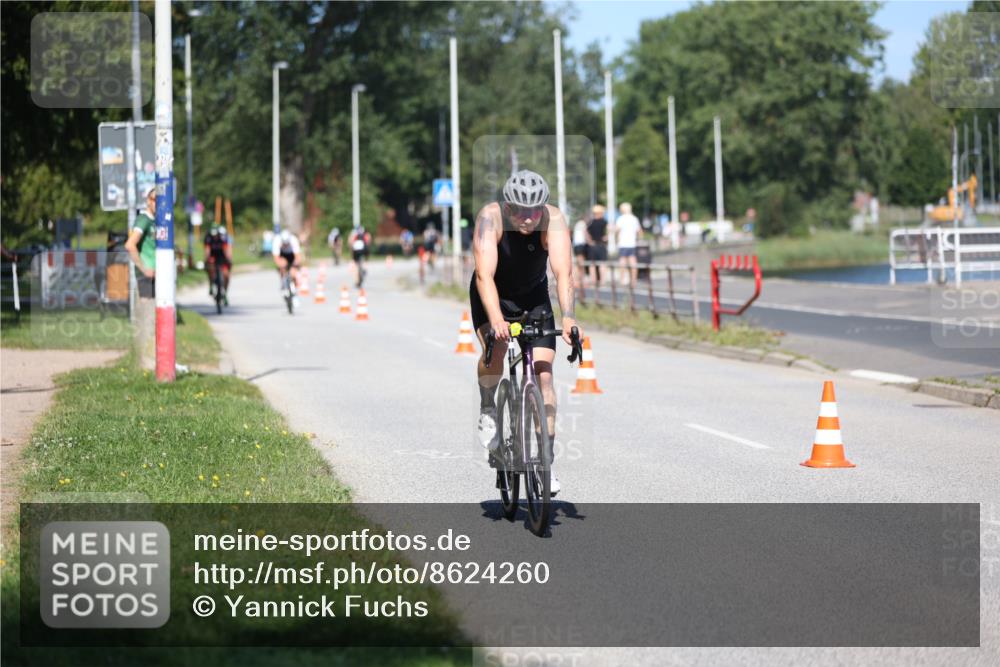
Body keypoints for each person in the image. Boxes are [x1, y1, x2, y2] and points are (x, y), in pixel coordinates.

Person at [470, 169, 582, 496]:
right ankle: (489, 406)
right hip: (493, 294)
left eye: (534, 212)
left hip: (534, 297)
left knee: (544, 375)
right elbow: (484, 277)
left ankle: (546, 462)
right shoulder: (490, 219)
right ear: (507, 206)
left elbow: (563, 274)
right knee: (497, 353)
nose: (528, 219)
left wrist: (570, 317)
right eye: (520, 211)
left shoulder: (554, 220)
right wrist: (496, 320)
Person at [124, 184, 158, 298]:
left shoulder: (155, 221)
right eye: (155, 200)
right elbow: (130, 245)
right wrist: (144, 269)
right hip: (147, 277)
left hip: (156, 274)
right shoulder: (144, 219)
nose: (158, 203)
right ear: (148, 201)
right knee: (147, 312)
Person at [614, 202, 643, 286]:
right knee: (633, 262)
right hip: (632, 243)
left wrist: (616, 237)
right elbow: (639, 231)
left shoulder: (621, 219)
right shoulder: (634, 218)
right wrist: (638, 239)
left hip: (623, 243)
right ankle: (633, 280)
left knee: (622, 262)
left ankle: (622, 279)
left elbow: (617, 230)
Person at [204, 224, 233, 303]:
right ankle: (211, 285)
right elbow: (207, 250)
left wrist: (228, 259)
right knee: (210, 268)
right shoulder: (208, 238)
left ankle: (225, 293)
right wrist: (206, 259)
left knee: (226, 275)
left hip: (222, 256)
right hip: (213, 256)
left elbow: (227, 250)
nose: (215, 237)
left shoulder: (223, 238)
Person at [272, 228, 302, 295]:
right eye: (284, 244)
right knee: (282, 266)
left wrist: (295, 265)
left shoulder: (294, 240)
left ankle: (294, 284)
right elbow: (276, 258)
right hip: (282, 254)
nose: (285, 245)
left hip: (291, 255)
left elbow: (298, 256)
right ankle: (283, 281)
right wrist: (281, 265)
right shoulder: (277, 241)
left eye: (287, 244)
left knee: (293, 272)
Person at [586, 204, 609, 283]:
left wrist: (589, 241)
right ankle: (602, 281)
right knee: (602, 263)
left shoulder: (591, 222)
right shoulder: (604, 222)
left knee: (592, 264)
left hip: (593, 245)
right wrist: (606, 237)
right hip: (601, 244)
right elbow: (609, 230)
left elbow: (586, 232)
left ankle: (593, 280)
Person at [572, 217, 588, 289]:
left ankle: (577, 281)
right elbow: (585, 234)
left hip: (576, 245)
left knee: (578, 264)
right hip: (581, 245)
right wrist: (590, 241)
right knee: (581, 264)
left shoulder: (577, 224)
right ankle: (580, 282)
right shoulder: (582, 223)